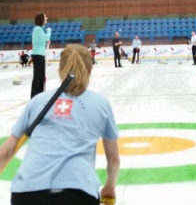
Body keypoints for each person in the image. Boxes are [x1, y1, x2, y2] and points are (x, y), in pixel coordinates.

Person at [0, 44, 120, 205]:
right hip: (78, 193)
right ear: (90, 70)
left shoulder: (37, 102)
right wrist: (109, 187)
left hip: (26, 193)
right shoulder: (101, 104)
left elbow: (5, 153)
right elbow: (113, 159)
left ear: (59, 72)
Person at [31, 13, 51, 98]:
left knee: (41, 76)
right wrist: (49, 31)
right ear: (41, 19)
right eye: (45, 17)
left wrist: (46, 41)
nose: (47, 18)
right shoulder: (38, 29)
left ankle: (40, 95)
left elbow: (44, 40)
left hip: (41, 54)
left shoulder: (40, 29)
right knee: (38, 77)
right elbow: (46, 38)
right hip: (37, 55)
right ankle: (34, 96)